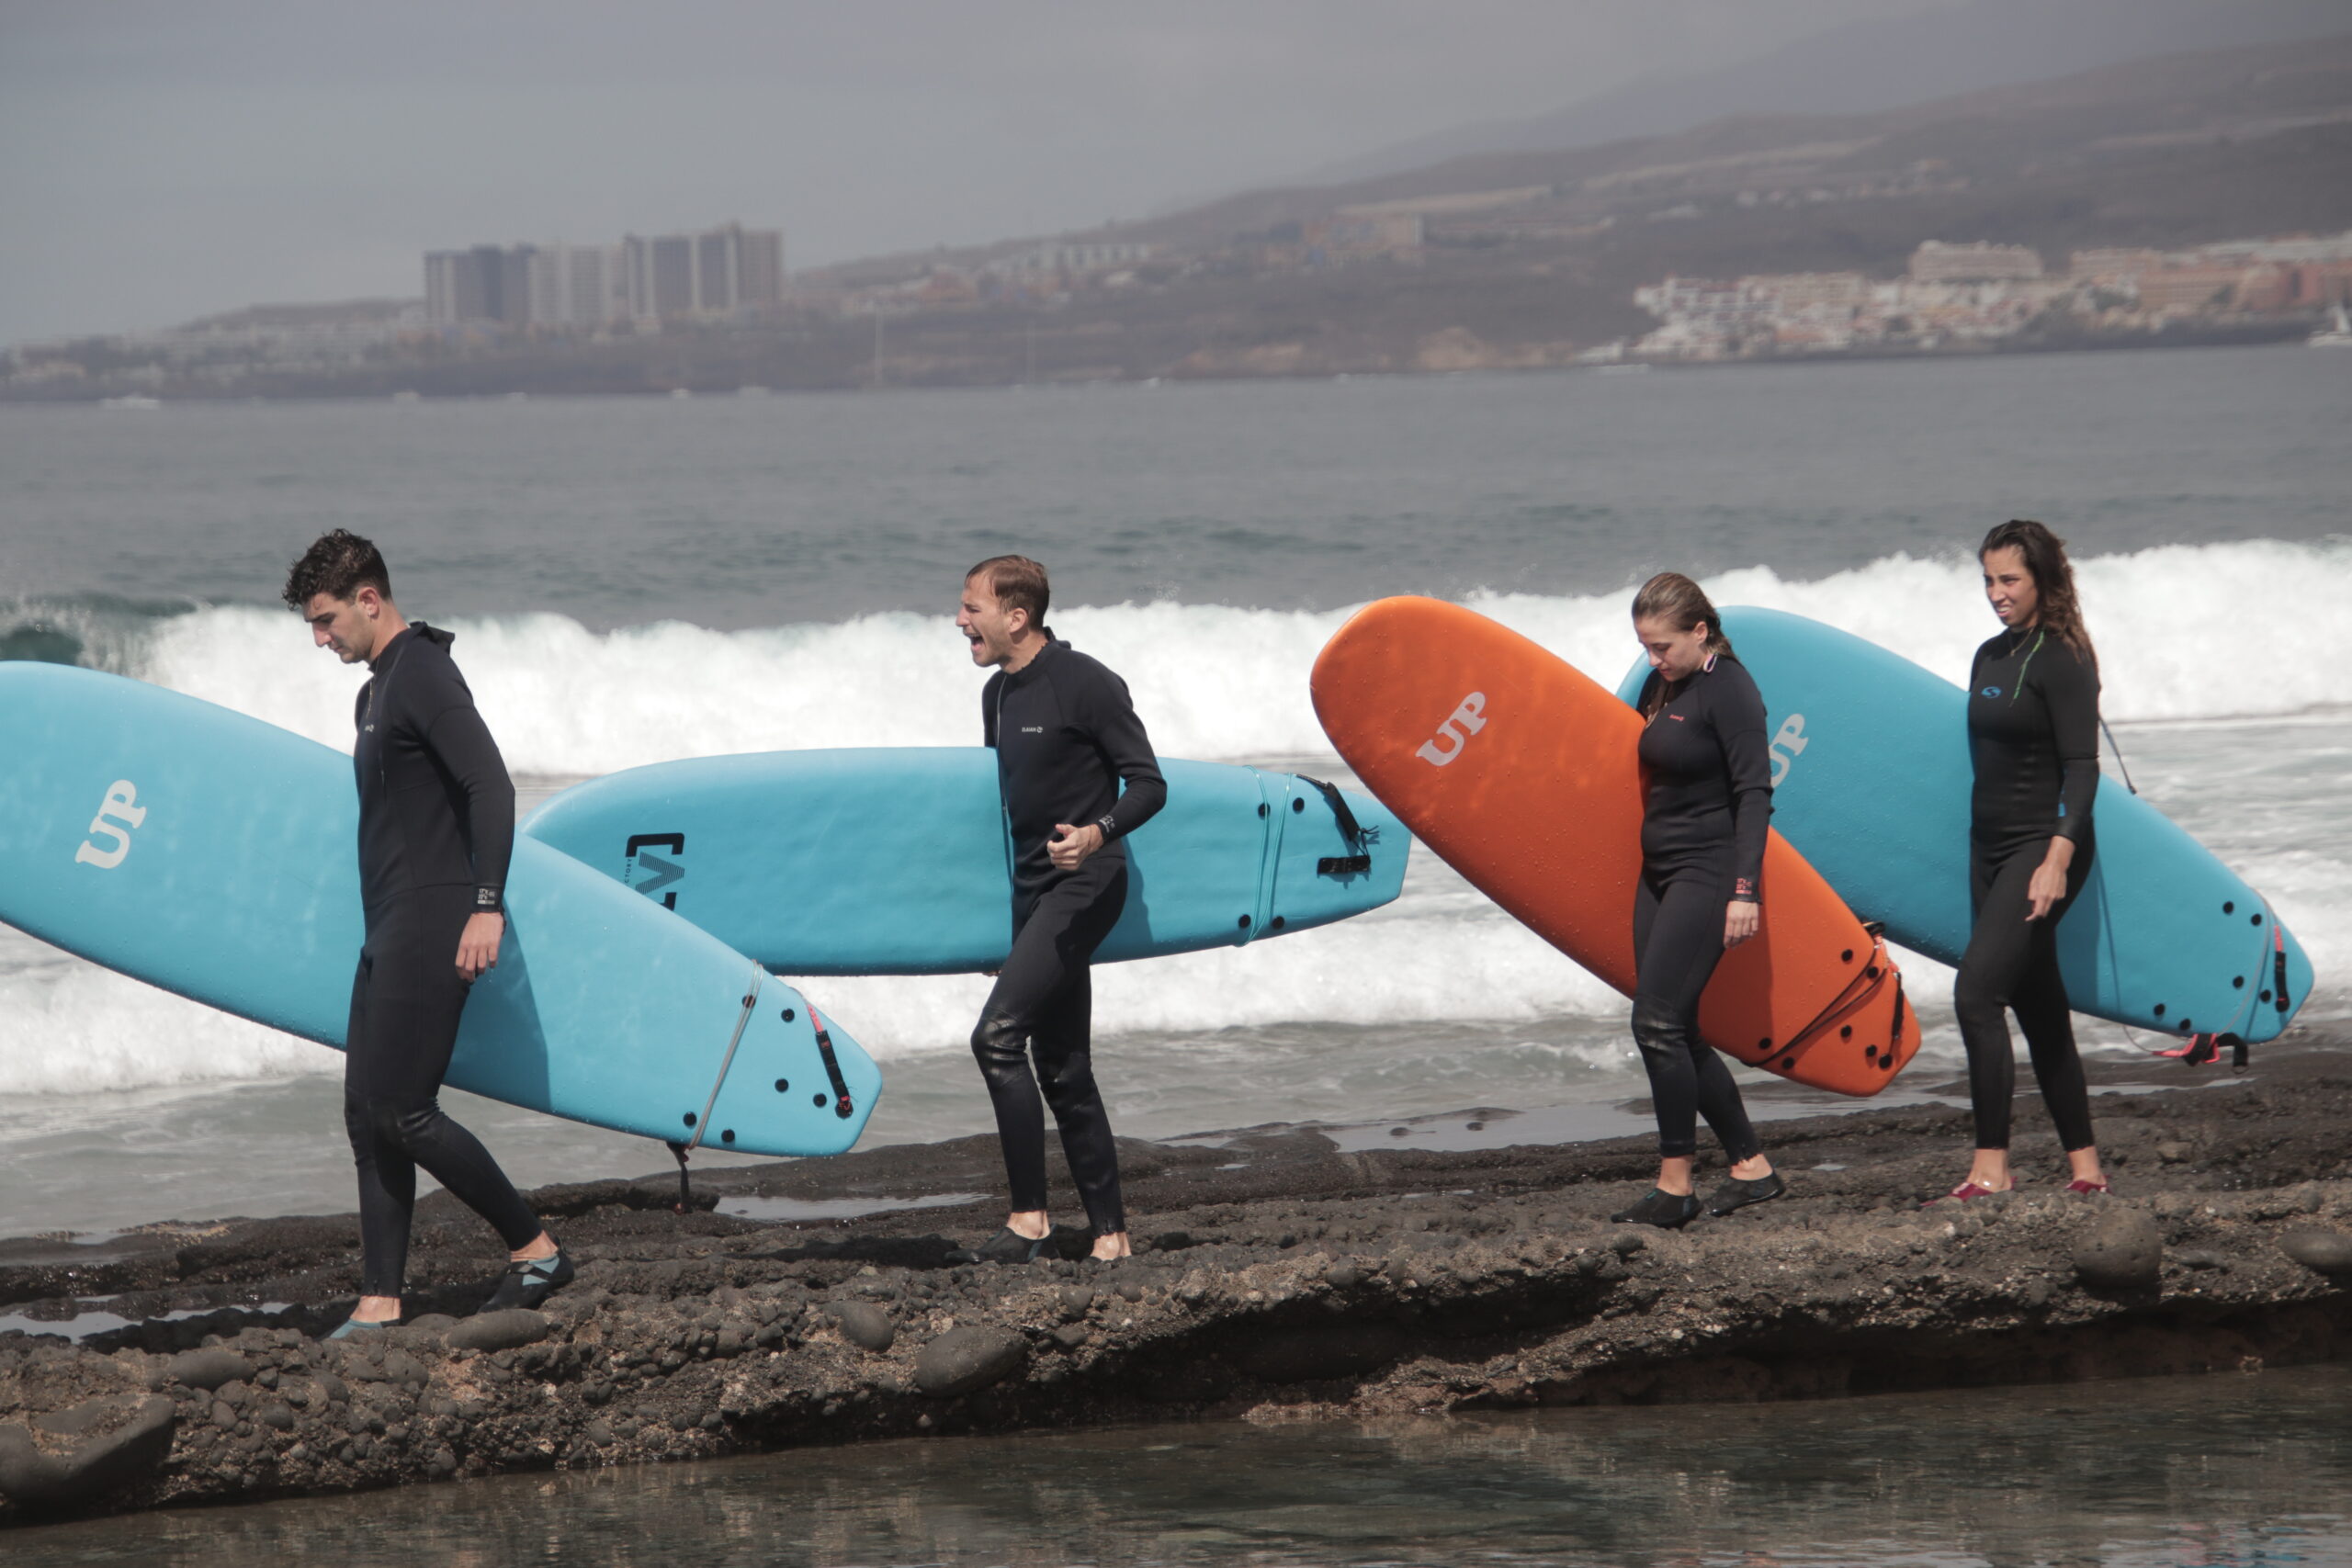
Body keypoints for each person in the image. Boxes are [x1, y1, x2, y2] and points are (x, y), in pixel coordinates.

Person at [283, 530, 571, 1335]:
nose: (320, 636)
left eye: (327, 617)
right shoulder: (374, 692)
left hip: (435, 913)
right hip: (388, 922)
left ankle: (536, 1249)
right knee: (365, 1114)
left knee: (406, 1109)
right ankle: (380, 1301)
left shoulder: (425, 673)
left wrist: (488, 903)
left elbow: (491, 786)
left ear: (369, 599)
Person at [950, 555, 1166, 1264]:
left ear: (1017, 615)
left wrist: (1099, 831)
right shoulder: (998, 695)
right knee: (1064, 1062)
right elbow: (1005, 814)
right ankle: (1111, 1235)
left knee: (997, 1040)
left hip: (1088, 882)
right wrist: (1005, 931)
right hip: (1033, 893)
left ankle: (1028, 1219)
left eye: (971, 607)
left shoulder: (1087, 683)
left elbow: (1148, 783)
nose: (960, 621)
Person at [1939, 519, 2109, 1202]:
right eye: (1988, 578)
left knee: (1977, 994)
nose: (1996, 592)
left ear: (2042, 579)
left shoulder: (2064, 659)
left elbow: (2083, 767)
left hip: (2043, 849)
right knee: (2039, 1004)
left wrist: (2057, 856)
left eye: (2009, 579)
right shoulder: (1988, 655)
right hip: (1991, 849)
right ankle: (2088, 1167)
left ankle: (1991, 1168)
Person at [1613, 572, 1784, 1228]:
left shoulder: (1730, 690)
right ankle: (1751, 1167)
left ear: (1700, 631)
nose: (1652, 660)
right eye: (1645, 647)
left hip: (1709, 872)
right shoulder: (1667, 684)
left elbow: (1755, 793)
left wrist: (1746, 889)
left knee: (1653, 1024)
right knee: (1677, 1026)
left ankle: (1675, 1183)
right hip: (1658, 871)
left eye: (1662, 646)